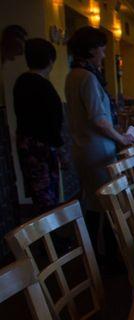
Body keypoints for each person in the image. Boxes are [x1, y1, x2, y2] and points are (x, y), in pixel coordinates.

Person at [65, 27, 134, 218]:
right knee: (107, 205)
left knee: (93, 202)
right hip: (97, 150)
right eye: (102, 50)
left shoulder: (73, 75)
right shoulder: (88, 77)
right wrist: (121, 137)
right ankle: (108, 247)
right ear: (92, 49)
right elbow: (99, 120)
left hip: (82, 147)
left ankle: (96, 246)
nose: (104, 55)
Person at [13, 38, 63, 214]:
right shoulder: (43, 85)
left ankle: (43, 234)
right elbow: (53, 121)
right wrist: (60, 149)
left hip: (26, 145)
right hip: (43, 147)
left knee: (38, 194)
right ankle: (51, 237)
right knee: (48, 194)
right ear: (50, 60)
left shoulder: (21, 82)